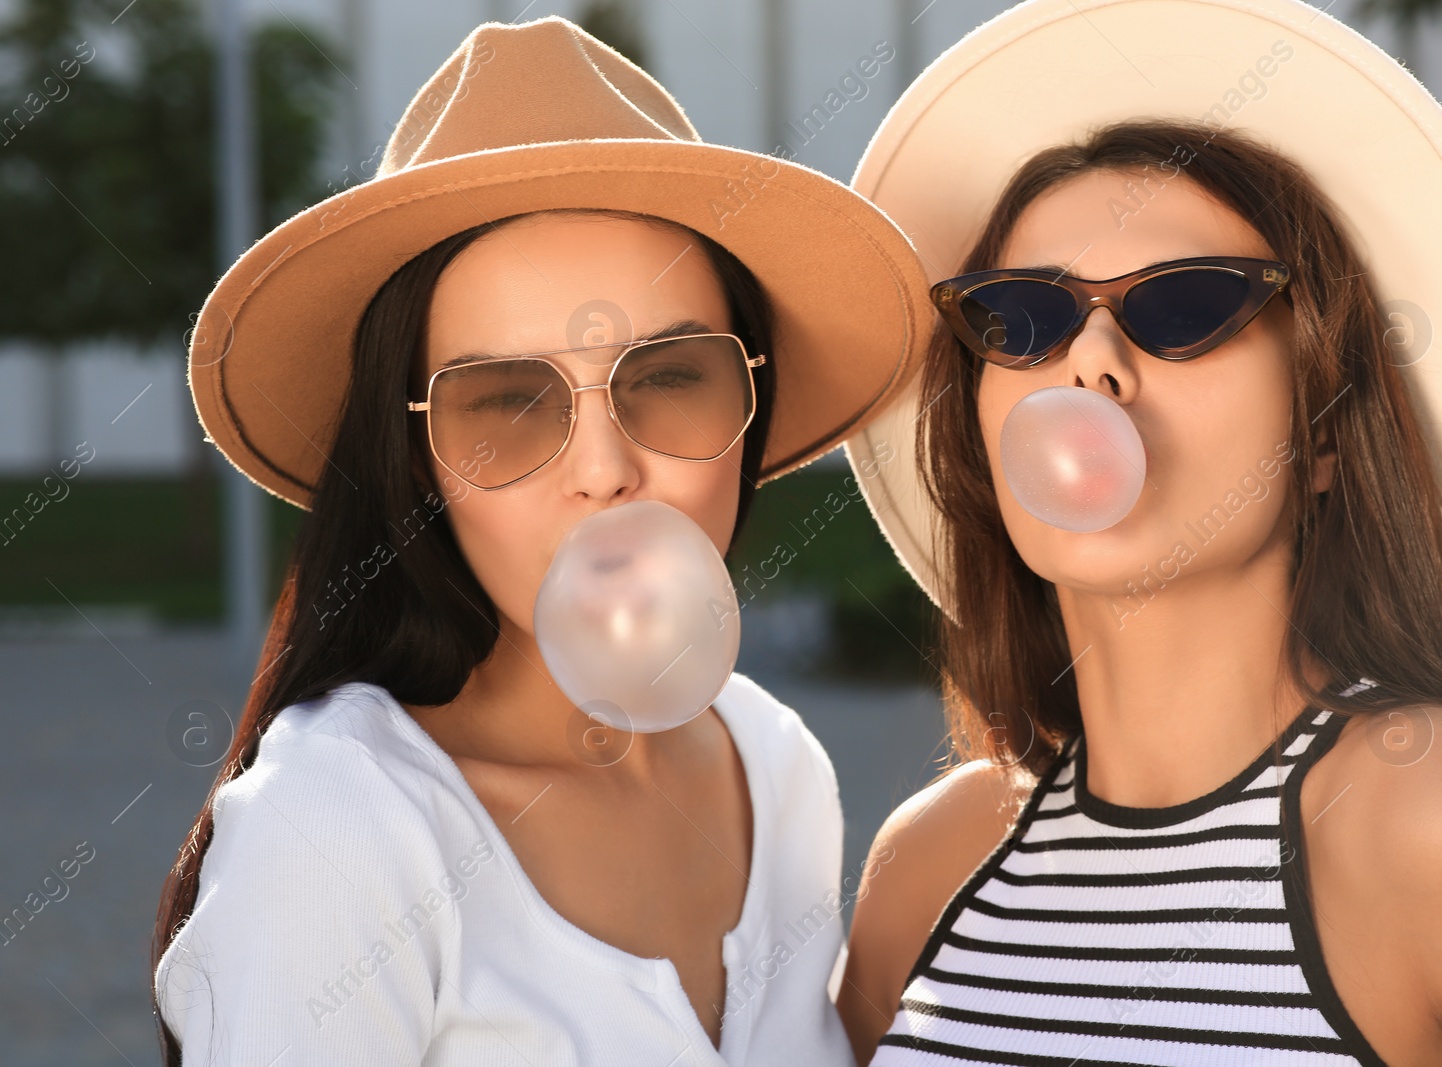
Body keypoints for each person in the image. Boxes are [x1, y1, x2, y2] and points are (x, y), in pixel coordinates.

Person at [152, 17, 931, 1066]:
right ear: (411, 463)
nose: (606, 466)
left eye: (668, 375)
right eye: (507, 401)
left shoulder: (777, 761)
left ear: (749, 400)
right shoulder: (334, 828)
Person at [835, 0, 1442, 1064]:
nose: (1089, 362)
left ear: (1324, 430)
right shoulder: (926, 865)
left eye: (1185, 306)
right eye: (1022, 316)